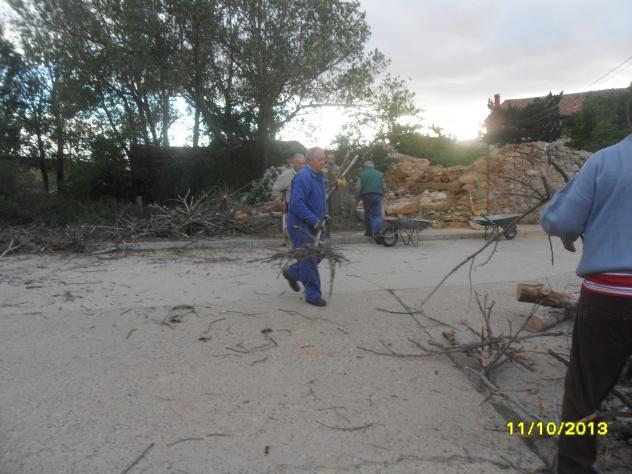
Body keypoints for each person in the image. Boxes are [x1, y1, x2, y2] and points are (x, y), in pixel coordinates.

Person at [541, 96, 632, 474]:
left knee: (584, 394)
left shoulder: (606, 161)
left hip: (607, 298)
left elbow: (560, 221)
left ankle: (575, 467)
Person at [282, 147, 329, 307]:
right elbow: (296, 204)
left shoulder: (320, 177)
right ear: (310, 160)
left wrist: (324, 215)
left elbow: (320, 199)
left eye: (324, 159)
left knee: (320, 252)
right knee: (308, 258)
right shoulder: (303, 177)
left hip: (315, 223)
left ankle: (292, 272)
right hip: (300, 225)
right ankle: (313, 295)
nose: (323, 162)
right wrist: (314, 220)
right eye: (320, 159)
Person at [272, 153, 305, 246]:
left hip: (303, 206)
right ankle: (289, 245)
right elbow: (276, 189)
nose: (302, 166)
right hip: (290, 206)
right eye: (299, 163)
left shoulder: (306, 174)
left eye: (303, 163)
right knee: (289, 229)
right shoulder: (286, 175)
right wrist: (279, 201)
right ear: (293, 164)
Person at [358, 160, 387, 237]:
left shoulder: (362, 174)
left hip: (366, 196)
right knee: (377, 215)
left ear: (365, 167)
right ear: (373, 166)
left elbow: (358, 187)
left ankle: (369, 232)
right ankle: (376, 232)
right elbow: (384, 186)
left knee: (367, 214)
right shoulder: (380, 174)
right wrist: (384, 193)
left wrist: (358, 195)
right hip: (377, 196)